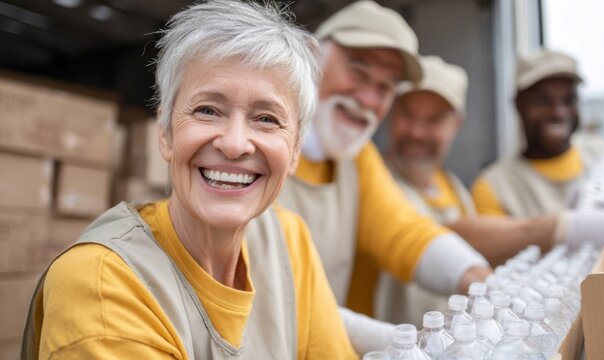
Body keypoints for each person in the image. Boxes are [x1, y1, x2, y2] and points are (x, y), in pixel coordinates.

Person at [21, 1, 357, 359]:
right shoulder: (101, 285)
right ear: (165, 132)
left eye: (267, 119)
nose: (234, 144)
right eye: (207, 110)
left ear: (294, 152)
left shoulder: (288, 242)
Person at [275, 1, 491, 353]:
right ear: (312, 59)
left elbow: (404, 231)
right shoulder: (263, 151)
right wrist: (410, 344)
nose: (367, 99)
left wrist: (477, 277)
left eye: (385, 88)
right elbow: (278, 296)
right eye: (358, 73)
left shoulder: (357, 158)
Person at [378, 55, 604, 325]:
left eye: (434, 119)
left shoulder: (455, 189)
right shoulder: (378, 181)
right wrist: (560, 227)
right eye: (408, 115)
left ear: (456, 124)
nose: (418, 132)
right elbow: (435, 236)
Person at [471, 49, 593, 217]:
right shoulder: (494, 187)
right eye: (543, 101)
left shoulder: (603, 158)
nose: (558, 112)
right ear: (518, 104)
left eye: (568, 100)